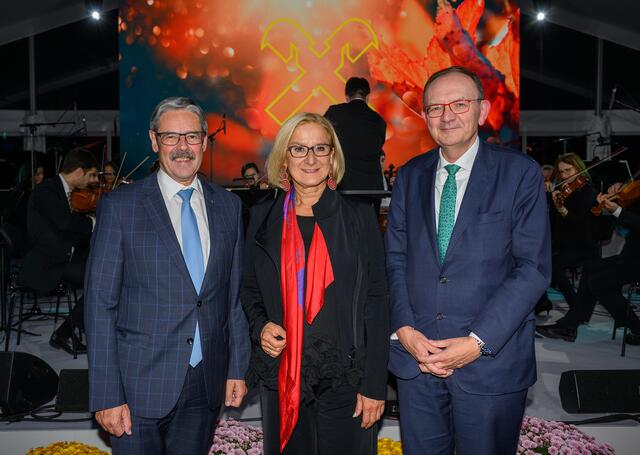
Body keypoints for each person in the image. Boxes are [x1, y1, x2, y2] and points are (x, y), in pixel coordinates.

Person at [385, 66, 551, 455]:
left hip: (490, 363)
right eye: (435, 107)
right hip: (417, 360)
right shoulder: (410, 175)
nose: (447, 116)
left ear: (483, 110)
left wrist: (478, 343)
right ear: (424, 117)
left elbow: (533, 268)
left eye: (459, 104)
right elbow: (394, 258)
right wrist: (405, 329)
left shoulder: (519, 173)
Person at [84, 97, 250, 454]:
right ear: (154, 141)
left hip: (205, 382)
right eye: (171, 137)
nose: (183, 147)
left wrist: (236, 367)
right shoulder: (121, 207)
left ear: (205, 141)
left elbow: (231, 298)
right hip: (136, 385)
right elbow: (99, 305)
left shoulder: (229, 207)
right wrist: (107, 393)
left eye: (191, 136)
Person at [241, 112, 389, 455]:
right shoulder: (263, 217)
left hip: (347, 378)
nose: (310, 158)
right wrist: (260, 325)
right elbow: (248, 288)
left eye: (320, 148)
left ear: (333, 157)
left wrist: (374, 384)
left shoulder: (359, 216)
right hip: (283, 374)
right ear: (283, 158)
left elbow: (378, 300)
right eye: (299, 149)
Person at [537, 183, 640, 344]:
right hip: (631, 256)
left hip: (635, 260)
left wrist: (618, 210)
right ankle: (571, 325)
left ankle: (634, 327)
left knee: (598, 282)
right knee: (592, 269)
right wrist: (619, 195)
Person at [18, 148, 99, 355]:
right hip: (46, 263)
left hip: (61, 256)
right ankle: (65, 333)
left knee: (102, 273)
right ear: (79, 172)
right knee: (98, 281)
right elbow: (64, 223)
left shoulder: (58, 190)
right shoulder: (46, 190)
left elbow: (65, 228)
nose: (93, 181)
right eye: (91, 175)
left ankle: (72, 329)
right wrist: (93, 222)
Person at [535, 153, 598, 316]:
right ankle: (542, 302)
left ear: (579, 168)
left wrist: (561, 208)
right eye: (561, 172)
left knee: (553, 265)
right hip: (563, 242)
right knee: (534, 260)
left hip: (582, 244)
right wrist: (546, 191)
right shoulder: (562, 190)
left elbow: (578, 224)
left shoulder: (588, 191)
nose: (565, 175)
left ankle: (577, 307)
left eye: (569, 170)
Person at [324, 77, 386, 193]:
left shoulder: (334, 113)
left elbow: (321, 139)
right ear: (367, 97)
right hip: (371, 189)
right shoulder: (379, 121)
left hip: (342, 187)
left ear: (347, 97)